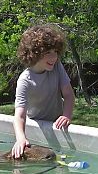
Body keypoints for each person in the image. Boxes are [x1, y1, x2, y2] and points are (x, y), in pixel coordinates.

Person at [12, 24, 75, 159]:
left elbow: (69, 95)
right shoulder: (25, 80)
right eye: (48, 53)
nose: (54, 57)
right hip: (37, 124)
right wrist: (21, 138)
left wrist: (67, 115)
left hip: (57, 121)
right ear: (34, 53)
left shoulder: (57, 67)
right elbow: (19, 115)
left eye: (56, 52)